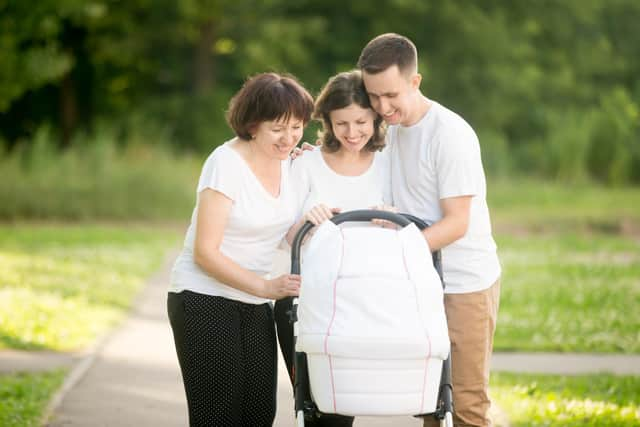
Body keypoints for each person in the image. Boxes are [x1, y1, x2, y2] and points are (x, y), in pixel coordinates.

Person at [357, 33, 502, 427]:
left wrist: (399, 252)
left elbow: (457, 223)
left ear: (415, 82)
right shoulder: (394, 132)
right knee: (431, 404)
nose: (382, 107)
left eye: (391, 95)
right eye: (373, 96)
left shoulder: (449, 134)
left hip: (463, 285)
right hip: (420, 283)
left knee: (467, 405)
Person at [167, 72, 314, 427]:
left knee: (259, 413)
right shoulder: (226, 164)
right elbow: (205, 252)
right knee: (219, 415)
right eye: (278, 128)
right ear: (252, 124)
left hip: (253, 303)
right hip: (203, 297)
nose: (290, 137)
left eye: (297, 127)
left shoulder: (292, 164)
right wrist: (266, 287)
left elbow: (282, 232)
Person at [274, 69, 388, 427]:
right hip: (305, 301)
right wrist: (306, 223)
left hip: (362, 302)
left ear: (376, 118)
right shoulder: (306, 163)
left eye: (361, 121)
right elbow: (283, 235)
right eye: (342, 123)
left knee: (340, 410)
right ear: (327, 122)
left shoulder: (389, 164)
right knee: (313, 408)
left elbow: (409, 233)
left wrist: (390, 219)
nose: (352, 133)